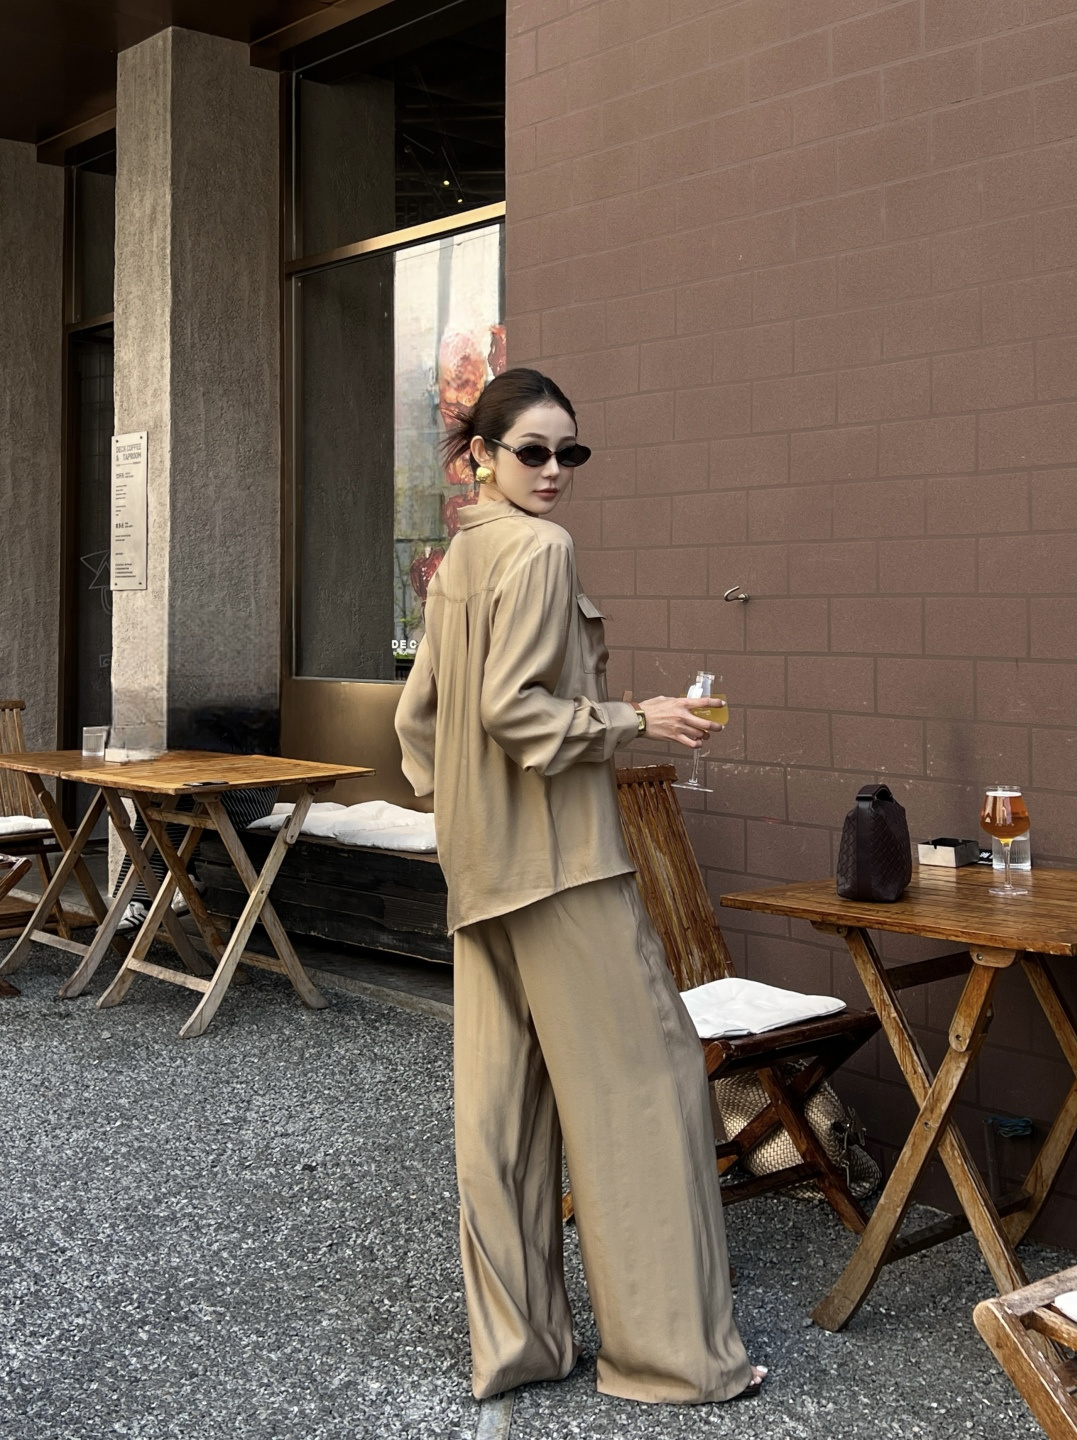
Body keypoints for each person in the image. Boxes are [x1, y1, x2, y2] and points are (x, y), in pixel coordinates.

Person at [395, 368, 765, 1406]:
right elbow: (515, 713)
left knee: (504, 1111)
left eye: (571, 453)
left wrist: (471, 815)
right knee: (648, 1087)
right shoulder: (541, 550)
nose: (554, 471)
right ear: (482, 455)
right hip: (563, 867)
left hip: (484, 871)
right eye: (533, 451)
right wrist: (635, 718)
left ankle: (519, 1346)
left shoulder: (461, 559)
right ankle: (673, 1359)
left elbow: (418, 723)